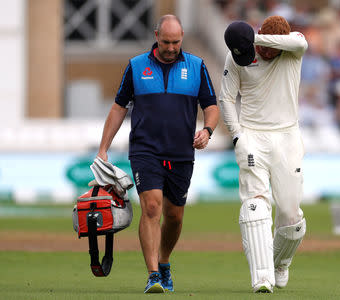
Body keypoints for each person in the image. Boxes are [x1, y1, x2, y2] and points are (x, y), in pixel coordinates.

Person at [96, 14, 219, 293]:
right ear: (156, 36)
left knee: (174, 216)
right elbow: (118, 108)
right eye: (166, 42)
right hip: (145, 150)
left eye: (176, 42)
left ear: (182, 37)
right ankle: (153, 275)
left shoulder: (197, 67)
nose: (172, 47)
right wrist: (103, 148)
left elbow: (211, 106)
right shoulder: (136, 66)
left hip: (181, 153)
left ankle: (164, 262)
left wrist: (208, 130)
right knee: (152, 207)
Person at [219, 17, 308, 293]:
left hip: (287, 137)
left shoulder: (293, 50)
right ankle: (262, 278)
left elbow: (299, 41)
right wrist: (237, 136)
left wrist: (254, 39)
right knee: (255, 206)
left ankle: (279, 263)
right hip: (252, 136)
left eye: (267, 48)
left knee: (292, 219)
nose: (260, 54)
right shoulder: (239, 54)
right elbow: (226, 98)